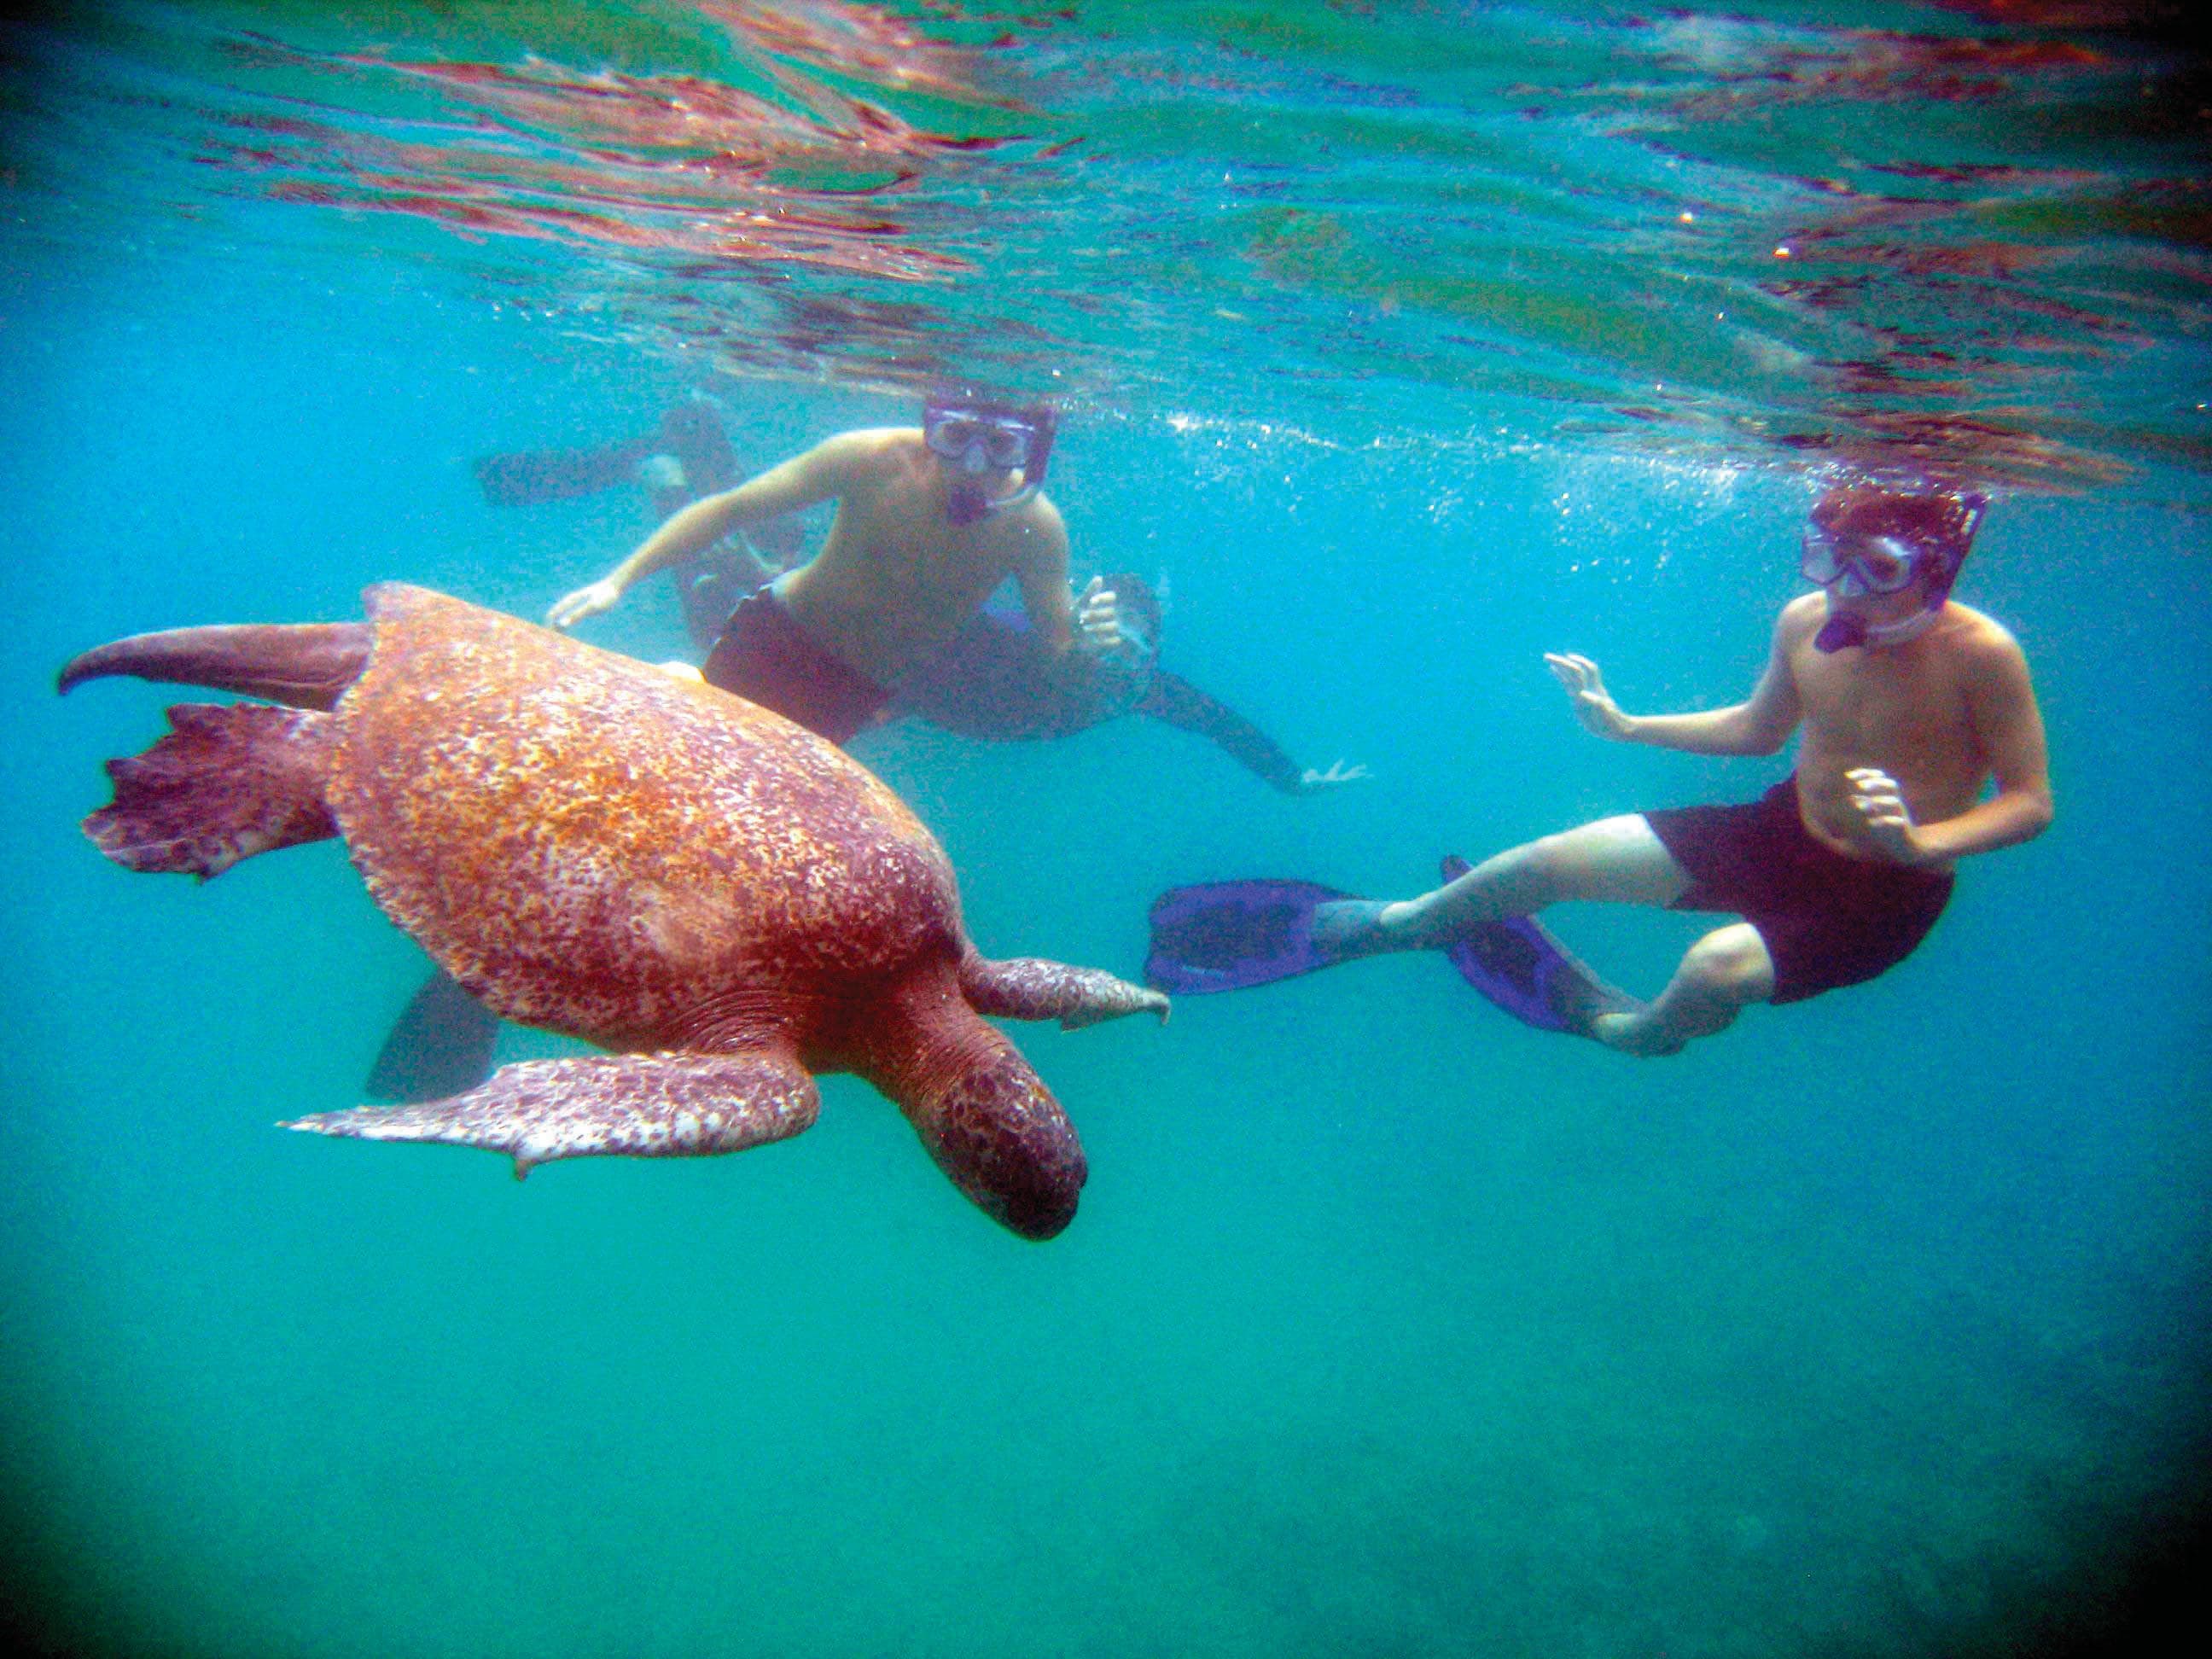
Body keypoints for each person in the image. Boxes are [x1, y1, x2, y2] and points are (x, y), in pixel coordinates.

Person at [1145, 476, 2053, 1057]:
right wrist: (1625, 724)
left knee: (1709, 975)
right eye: (1829, 558)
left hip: (1884, 894)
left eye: (1878, 569)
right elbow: (1756, 730)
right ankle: (1403, 923)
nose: (1843, 589)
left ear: (1936, 567)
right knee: (1546, 863)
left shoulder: (1983, 657)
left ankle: (1630, 1033)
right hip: (1781, 832)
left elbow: (2030, 804)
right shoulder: (1801, 620)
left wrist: (1916, 838)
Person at [548, 390, 1120, 745]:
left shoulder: (1036, 528)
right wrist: (616, 581)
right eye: (954, 438)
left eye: (1000, 447)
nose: (972, 466)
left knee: (759, 795)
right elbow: (731, 508)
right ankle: (671, 683)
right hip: (777, 636)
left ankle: (675, 681)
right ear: (931, 424)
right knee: (696, 745)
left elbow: (1057, 659)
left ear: (1033, 450)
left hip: (858, 688)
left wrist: (1086, 652)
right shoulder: (873, 458)